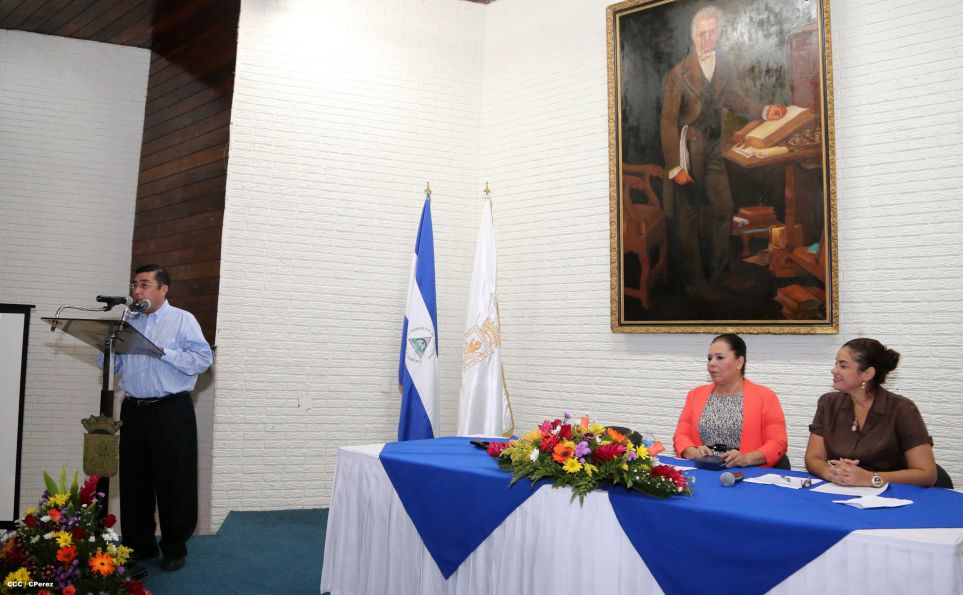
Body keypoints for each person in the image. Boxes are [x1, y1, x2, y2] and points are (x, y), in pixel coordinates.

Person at [660, 5, 787, 299]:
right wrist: (675, 166)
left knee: (723, 209)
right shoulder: (677, 74)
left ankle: (718, 275)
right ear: (693, 35)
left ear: (719, 33)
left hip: (715, 148)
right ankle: (694, 282)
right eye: (701, 34)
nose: (706, 39)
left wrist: (764, 110)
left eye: (711, 33)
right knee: (688, 215)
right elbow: (667, 122)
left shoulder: (723, 64)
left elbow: (733, 99)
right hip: (687, 149)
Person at [99, 264, 213, 571]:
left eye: (145, 284)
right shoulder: (128, 322)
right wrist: (107, 347)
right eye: (135, 285)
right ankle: (140, 546)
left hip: (171, 410)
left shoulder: (183, 320)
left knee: (174, 481)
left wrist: (164, 352)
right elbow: (112, 366)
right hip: (133, 409)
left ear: (164, 289)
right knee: (134, 481)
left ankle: (174, 547)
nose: (137, 291)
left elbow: (203, 360)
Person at [804, 339, 937, 488]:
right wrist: (832, 473)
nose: (834, 370)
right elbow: (813, 458)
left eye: (843, 365)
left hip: (892, 495)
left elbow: (927, 474)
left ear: (867, 374)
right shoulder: (828, 403)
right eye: (835, 364)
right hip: (839, 492)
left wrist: (870, 478)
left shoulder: (902, 409)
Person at [673, 333, 787, 467]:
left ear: (739, 362)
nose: (711, 363)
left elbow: (778, 443)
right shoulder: (695, 395)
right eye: (709, 358)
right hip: (704, 470)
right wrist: (693, 452)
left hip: (746, 472)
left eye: (719, 358)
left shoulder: (766, 396)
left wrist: (746, 459)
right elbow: (680, 436)